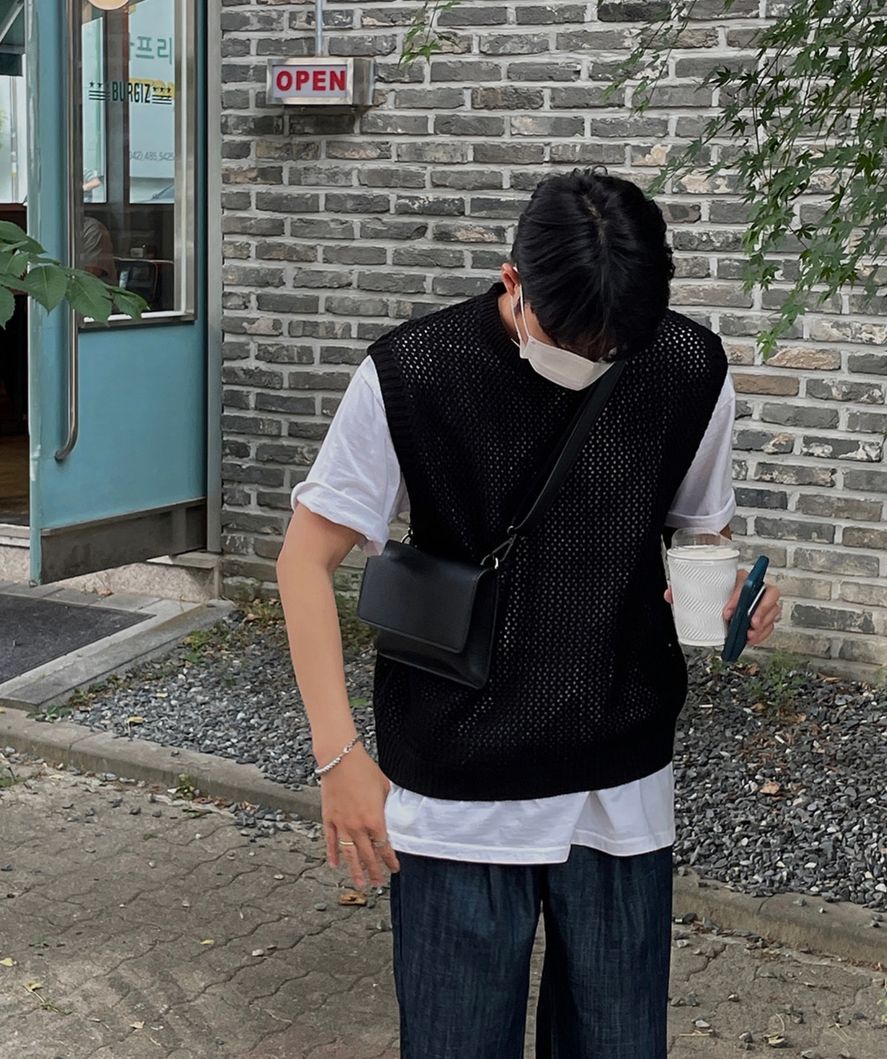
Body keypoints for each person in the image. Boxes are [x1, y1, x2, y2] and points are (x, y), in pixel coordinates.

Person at [276, 167, 782, 1059]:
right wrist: (339, 759)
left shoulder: (685, 364)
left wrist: (736, 594)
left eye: (614, 348)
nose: (593, 360)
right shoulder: (411, 372)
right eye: (571, 340)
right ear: (512, 281)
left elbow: (702, 533)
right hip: (455, 786)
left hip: (618, 778)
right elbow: (303, 562)